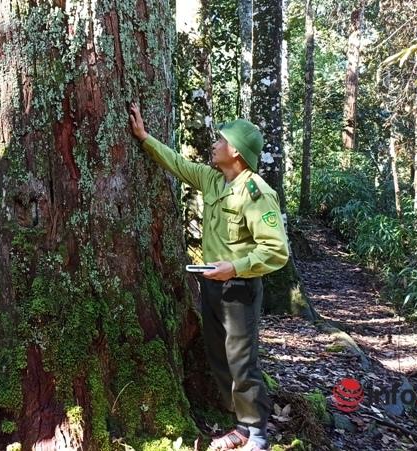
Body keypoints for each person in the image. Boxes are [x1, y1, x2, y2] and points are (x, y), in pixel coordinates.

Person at [128, 103, 289, 451]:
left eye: (220, 140)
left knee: (242, 362)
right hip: (211, 285)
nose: (214, 144)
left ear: (235, 151)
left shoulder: (256, 192)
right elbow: (178, 164)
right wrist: (144, 138)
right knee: (219, 358)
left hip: (240, 288)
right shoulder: (213, 180)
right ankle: (242, 427)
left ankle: (257, 435)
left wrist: (234, 267)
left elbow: (277, 251)